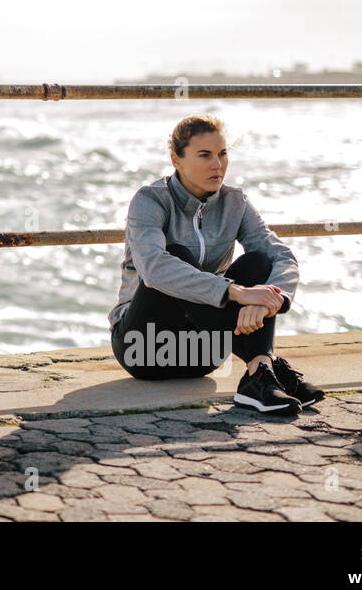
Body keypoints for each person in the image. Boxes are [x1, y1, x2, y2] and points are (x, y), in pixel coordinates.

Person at [108, 114, 326, 415]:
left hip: (203, 354)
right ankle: (264, 368)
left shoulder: (235, 202)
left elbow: (281, 256)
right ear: (176, 159)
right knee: (176, 255)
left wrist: (270, 300)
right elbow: (154, 269)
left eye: (223, 154)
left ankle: (261, 368)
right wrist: (235, 292)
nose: (218, 165)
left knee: (258, 262)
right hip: (143, 348)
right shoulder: (150, 201)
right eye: (205, 155)